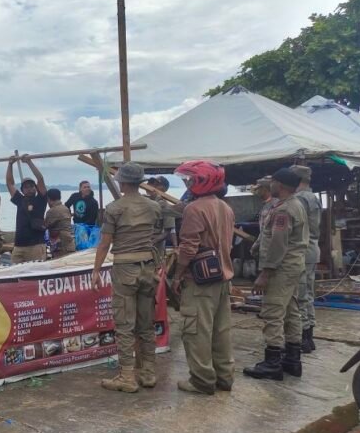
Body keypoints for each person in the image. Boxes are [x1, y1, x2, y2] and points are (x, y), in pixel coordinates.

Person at [92, 162, 162, 393]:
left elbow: (104, 244)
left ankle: (127, 376)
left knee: (124, 324)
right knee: (146, 323)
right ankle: (149, 373)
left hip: (124, 268)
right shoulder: (153, 206)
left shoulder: (115, 208)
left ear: (121, 182)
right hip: (148, 268)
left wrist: (95, 270)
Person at [171, 162, 236, 395]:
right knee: (221, 331)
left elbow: (189, 247)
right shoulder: (225, 208)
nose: (188, 184)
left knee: (196, 330)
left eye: (190, 180)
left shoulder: (194, 209)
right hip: (223, 277)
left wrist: (178, 275)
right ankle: (224, 377)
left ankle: (201, 380)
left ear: (200, 181)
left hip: (200, 281)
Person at [243, 168, 308, 381]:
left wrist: (265, 273)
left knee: (273, 313)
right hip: (293, 267)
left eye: (272, 181)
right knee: (291, 311)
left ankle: (272, 363)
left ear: (279, 185)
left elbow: (279, 244)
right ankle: (292, 359)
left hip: (281, 269)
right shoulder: (292, 205)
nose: (269, 184)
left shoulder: (284, 210)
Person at [291, 165, 321, 354]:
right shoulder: (313, 197)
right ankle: (309, 335)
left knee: (301, 295)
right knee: (308, 293)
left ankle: (303, 337)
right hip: (312, 248)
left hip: (302, 249)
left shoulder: (300, 199)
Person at [6, 155, 48, 263]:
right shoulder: (20, 200)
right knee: (15, 274)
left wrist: (29, 162)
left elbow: (40, 179)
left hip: (36, 245)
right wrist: (10, 164)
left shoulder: (41, 199)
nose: (29, 189)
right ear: (22, 190)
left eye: (31, 186)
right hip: (19, 245)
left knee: (37, 273)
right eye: (26, 187)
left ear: (36, 188)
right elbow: (10, 183)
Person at [250, 176, 277, 260]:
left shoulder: (270, 206)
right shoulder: (272, 203)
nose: (256, 191)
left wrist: (255, 246)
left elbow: (264, 230)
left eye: (258, 188)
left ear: (265, 189)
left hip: (269, 250)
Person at [45, 188, 75, 258]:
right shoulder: (65, 208)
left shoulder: (51, 211)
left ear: (48, 199)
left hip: (61, 247)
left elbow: (45, 225)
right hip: (70, 243)